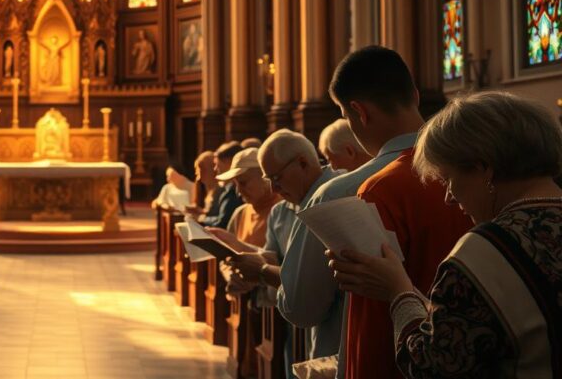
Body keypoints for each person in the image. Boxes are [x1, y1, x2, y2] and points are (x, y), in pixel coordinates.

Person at [328, 91, 562, 378]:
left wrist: (398, 291)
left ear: (483, 169)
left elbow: (431, 366)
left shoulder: (487, 249)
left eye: (449, 179)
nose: (449, 197)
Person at [324, 46, 471, 379]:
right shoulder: (476, 171)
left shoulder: (380, 189)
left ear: (358, 112)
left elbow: (370, 320)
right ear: (416, 96)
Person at [228, 130, 340, 376]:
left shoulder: (335, 195)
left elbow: (310, 284)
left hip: (336, 329)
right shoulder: (280, 212)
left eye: (277, 177)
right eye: (270, 180)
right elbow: (272, 256)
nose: (275, 188)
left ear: (302, 163)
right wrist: (244, 266)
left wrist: (260, 271)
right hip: (296, 325)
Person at [216, 148, 280, 377]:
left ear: (264, 177)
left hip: (271, 307)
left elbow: (280, 261)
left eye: (243, 182)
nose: (238, 190)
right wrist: (229, 274)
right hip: (244, 302)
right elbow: (225, 255)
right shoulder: (240, 212)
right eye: (235, 184)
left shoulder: (281, 211)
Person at [201, 142, 243, 228]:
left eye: (217, 164)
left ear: (229, 163)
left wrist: (203, 218)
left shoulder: (233, 190)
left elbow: (222, 222)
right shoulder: (227, 188)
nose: (215, 169)